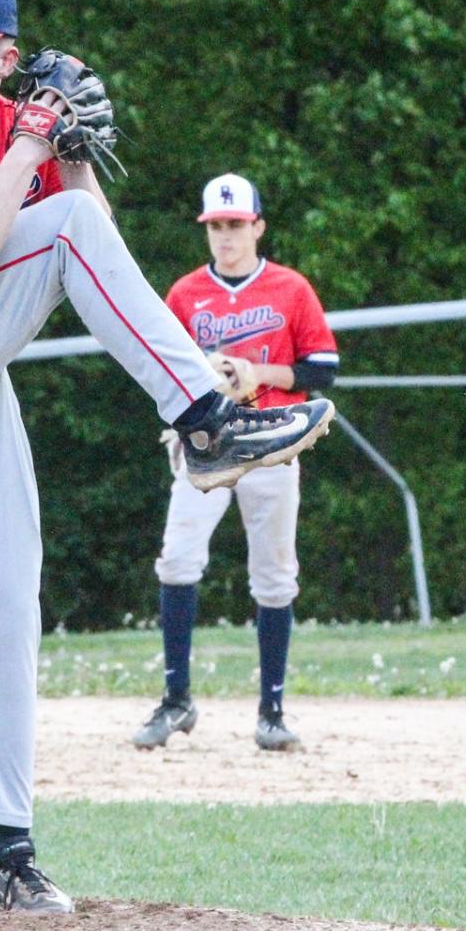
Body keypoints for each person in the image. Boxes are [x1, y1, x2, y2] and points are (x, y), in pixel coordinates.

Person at [0, 0, 334, 914]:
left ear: (5, 60)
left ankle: (8, 850)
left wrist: (73, 147)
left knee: (9, 606)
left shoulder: (24, 135)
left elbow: (88, 227)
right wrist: (29, 144)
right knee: (56, 230)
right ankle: (206, 421)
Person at [132, 173, 339, 754]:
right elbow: (159, 368)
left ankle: (271, 712)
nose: (225, 236)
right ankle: (176, 702)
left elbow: (321, 369)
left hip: (273, 440)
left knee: (274, 575)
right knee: (177, 560)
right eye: (217, 226)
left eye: (236, 225)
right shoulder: (184, 295)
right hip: (205, 444)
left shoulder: (290, 289)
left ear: (258, 227)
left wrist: (259, 375)